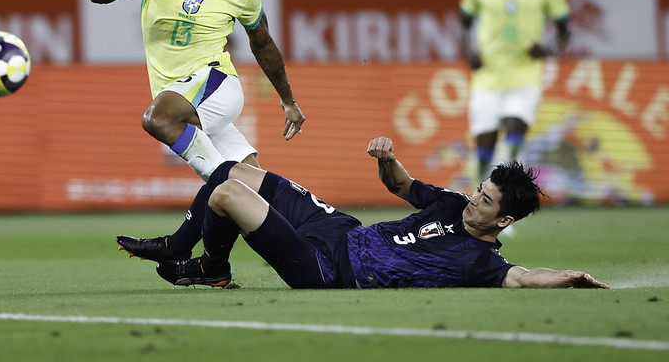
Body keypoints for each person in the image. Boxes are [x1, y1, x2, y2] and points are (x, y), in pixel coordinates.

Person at [91, 0, 304, 259]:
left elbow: (263, 44)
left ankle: (180, 243)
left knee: (157, 118)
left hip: (215, 83)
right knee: (250, 183)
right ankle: (288, 246)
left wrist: (289, 101)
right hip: (184, 95)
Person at [120, 136, 608, 290]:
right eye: (479, 189)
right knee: (232, 169)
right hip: (339, 231)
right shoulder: (452, 203)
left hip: (329, 271)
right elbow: (399, 185)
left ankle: (212, 267)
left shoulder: (482, 263)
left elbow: (524, 278)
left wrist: (569, 277)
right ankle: (192, 252)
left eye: (485, 201)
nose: (473, 199)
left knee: (227, 193)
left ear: (504, 222)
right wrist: (387, 158)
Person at [459, 0, 570, 182]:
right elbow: (464, 25)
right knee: (484, 147)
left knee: (514, 128)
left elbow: (565, 30)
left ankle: (508, 201)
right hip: (488, 76)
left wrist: (548, 48)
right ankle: (482, 197)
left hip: (525, 75)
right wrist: (468, 51)